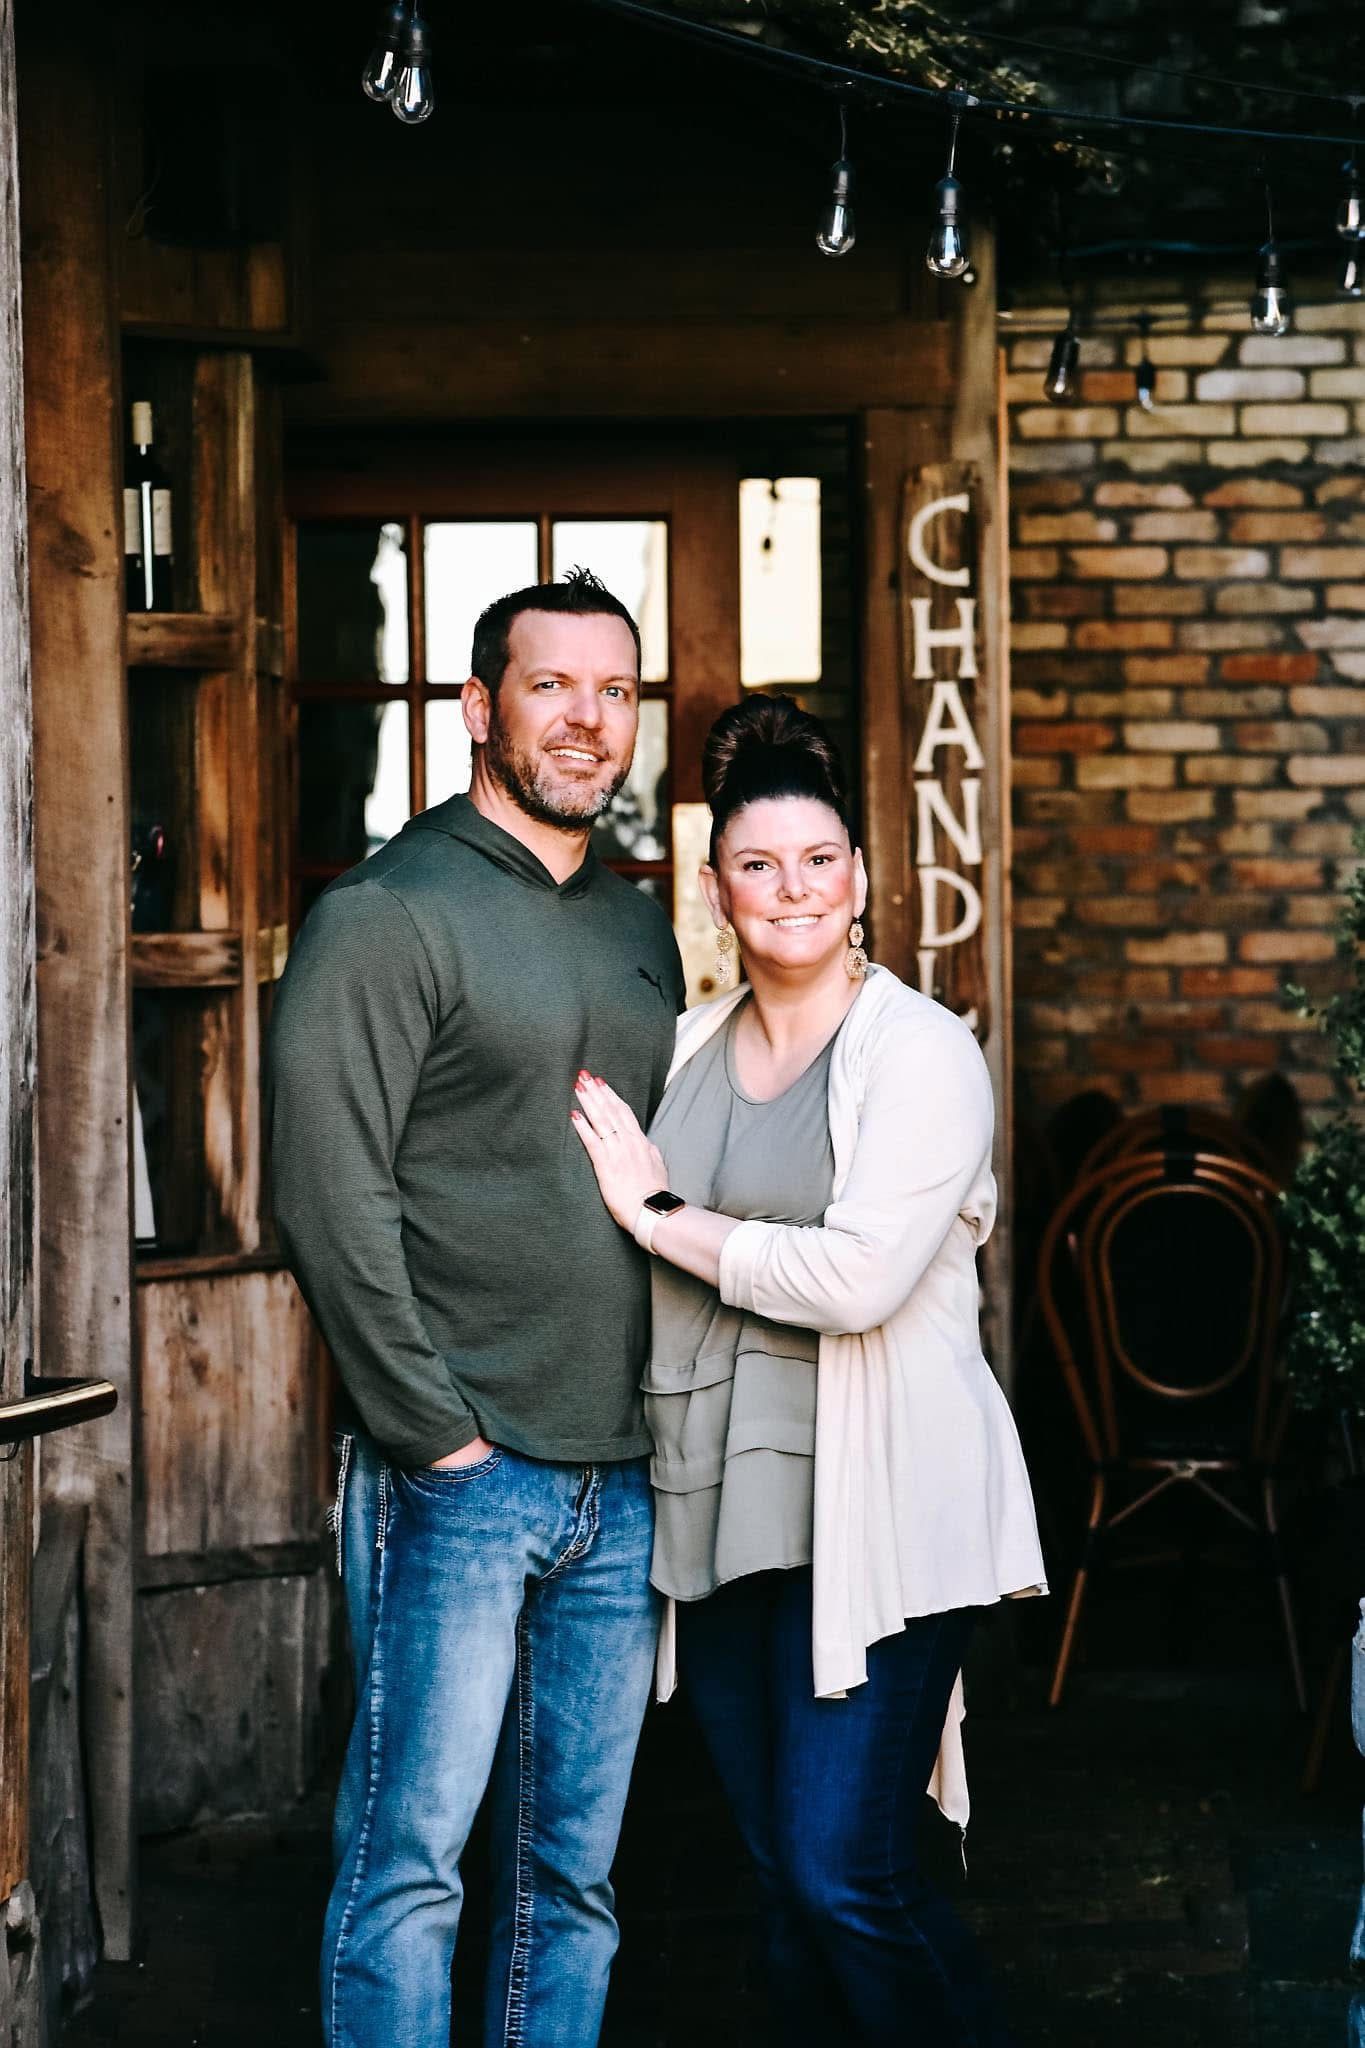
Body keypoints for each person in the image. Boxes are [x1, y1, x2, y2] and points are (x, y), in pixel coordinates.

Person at [571, 694, 1047, 2048]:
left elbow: (855, 1279)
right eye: (758, 864)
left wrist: (664, 1220)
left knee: (848, 1873)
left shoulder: (921, 1054)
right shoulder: (682, 1051)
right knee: (782, 1875)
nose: (791, 888)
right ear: (715, 889)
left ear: (859, 882)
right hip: (723, 1515)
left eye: (818, 861)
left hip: (880, 1514)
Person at [268, 569, 685, 2048]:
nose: (586, 719)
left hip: (620, 1479)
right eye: (552, 684)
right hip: (461, 1475)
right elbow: (324, 1193)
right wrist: (432, 1437)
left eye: (615, 691)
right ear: (477, 707)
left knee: (571, 1881)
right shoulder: (389, 914)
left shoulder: (637, 926)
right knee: (409, 1874)